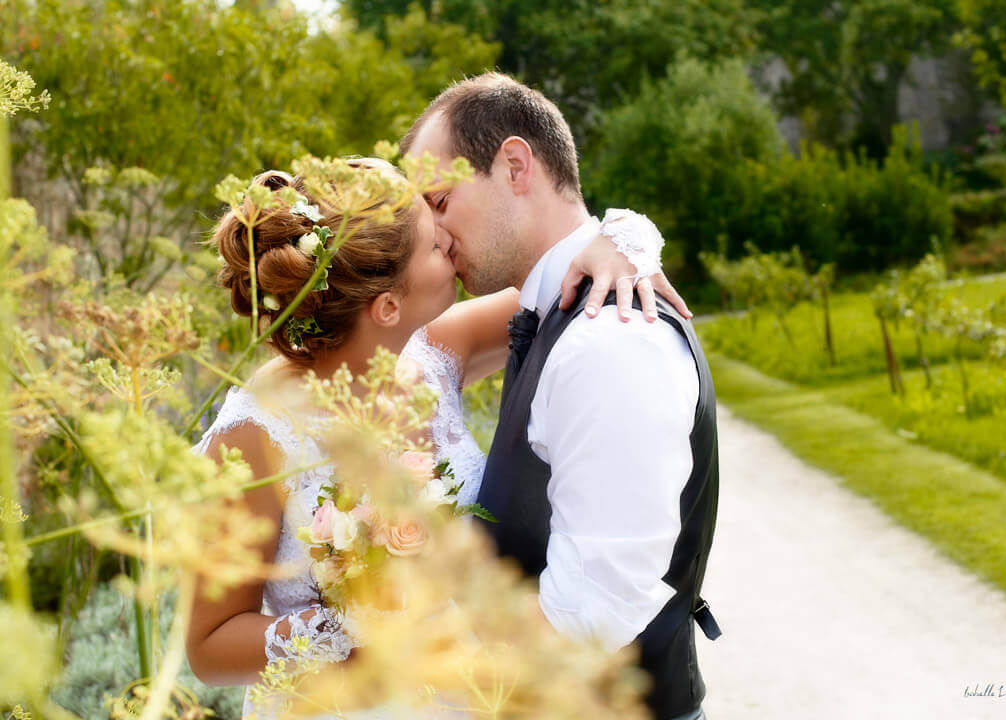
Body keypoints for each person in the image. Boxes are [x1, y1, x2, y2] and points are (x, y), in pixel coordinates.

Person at [184, 158, 688, 717]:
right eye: (432, 244)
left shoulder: (436, 351)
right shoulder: (257, 433)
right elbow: (209, 646)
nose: (449, 240)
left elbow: (554, 274)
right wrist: (361, 624)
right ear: (388, 306)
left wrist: (620, 241)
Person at [401, 73, 721, 720]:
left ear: (515, 165)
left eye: (437, 201)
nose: (432, 233)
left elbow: (598, 605)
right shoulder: (557, 308)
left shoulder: (606, 338)